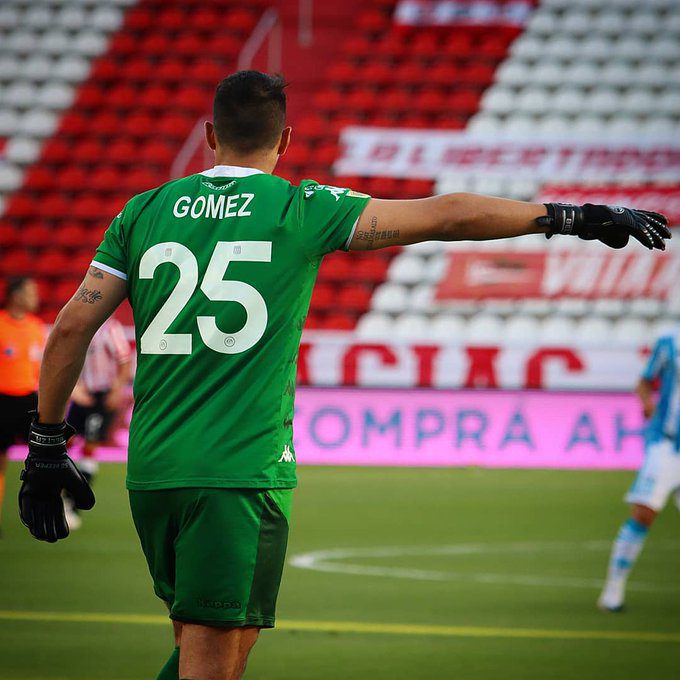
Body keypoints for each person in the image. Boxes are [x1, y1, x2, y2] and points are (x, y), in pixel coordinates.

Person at [18, 71, 669, 680]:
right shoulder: (301, 206)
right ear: (286, 139)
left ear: (211, 136)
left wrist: (47, 446)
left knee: (209, 640)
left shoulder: (143, 211)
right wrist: (568, 217)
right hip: (238, 471)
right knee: (214, 659)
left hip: (155, 468)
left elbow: (73, 326)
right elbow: (445, 213)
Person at [598, 327, 680, 612]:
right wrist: (647, 405)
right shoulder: (670, 342)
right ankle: (613, 590)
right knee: (644, 513)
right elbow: (644, 382)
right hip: (667, 446)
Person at [63, 317, 131, 529]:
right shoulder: (82, 325)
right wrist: (76, 389)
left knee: (90, 447)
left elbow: (125, 361)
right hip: (83, 393)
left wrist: (116, 389)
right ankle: (59, 495)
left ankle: (74, 504)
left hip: (99, 396)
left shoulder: (110, 329)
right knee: (63, 444)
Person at [0, 276, 45, 530]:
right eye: (30, 292)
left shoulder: (36, 327)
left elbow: (39, 369)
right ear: (16, 295)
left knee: (43, 458)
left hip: (28, 399)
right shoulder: (1, 325)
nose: (35, 297)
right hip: (2, 401)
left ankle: (41, 511)